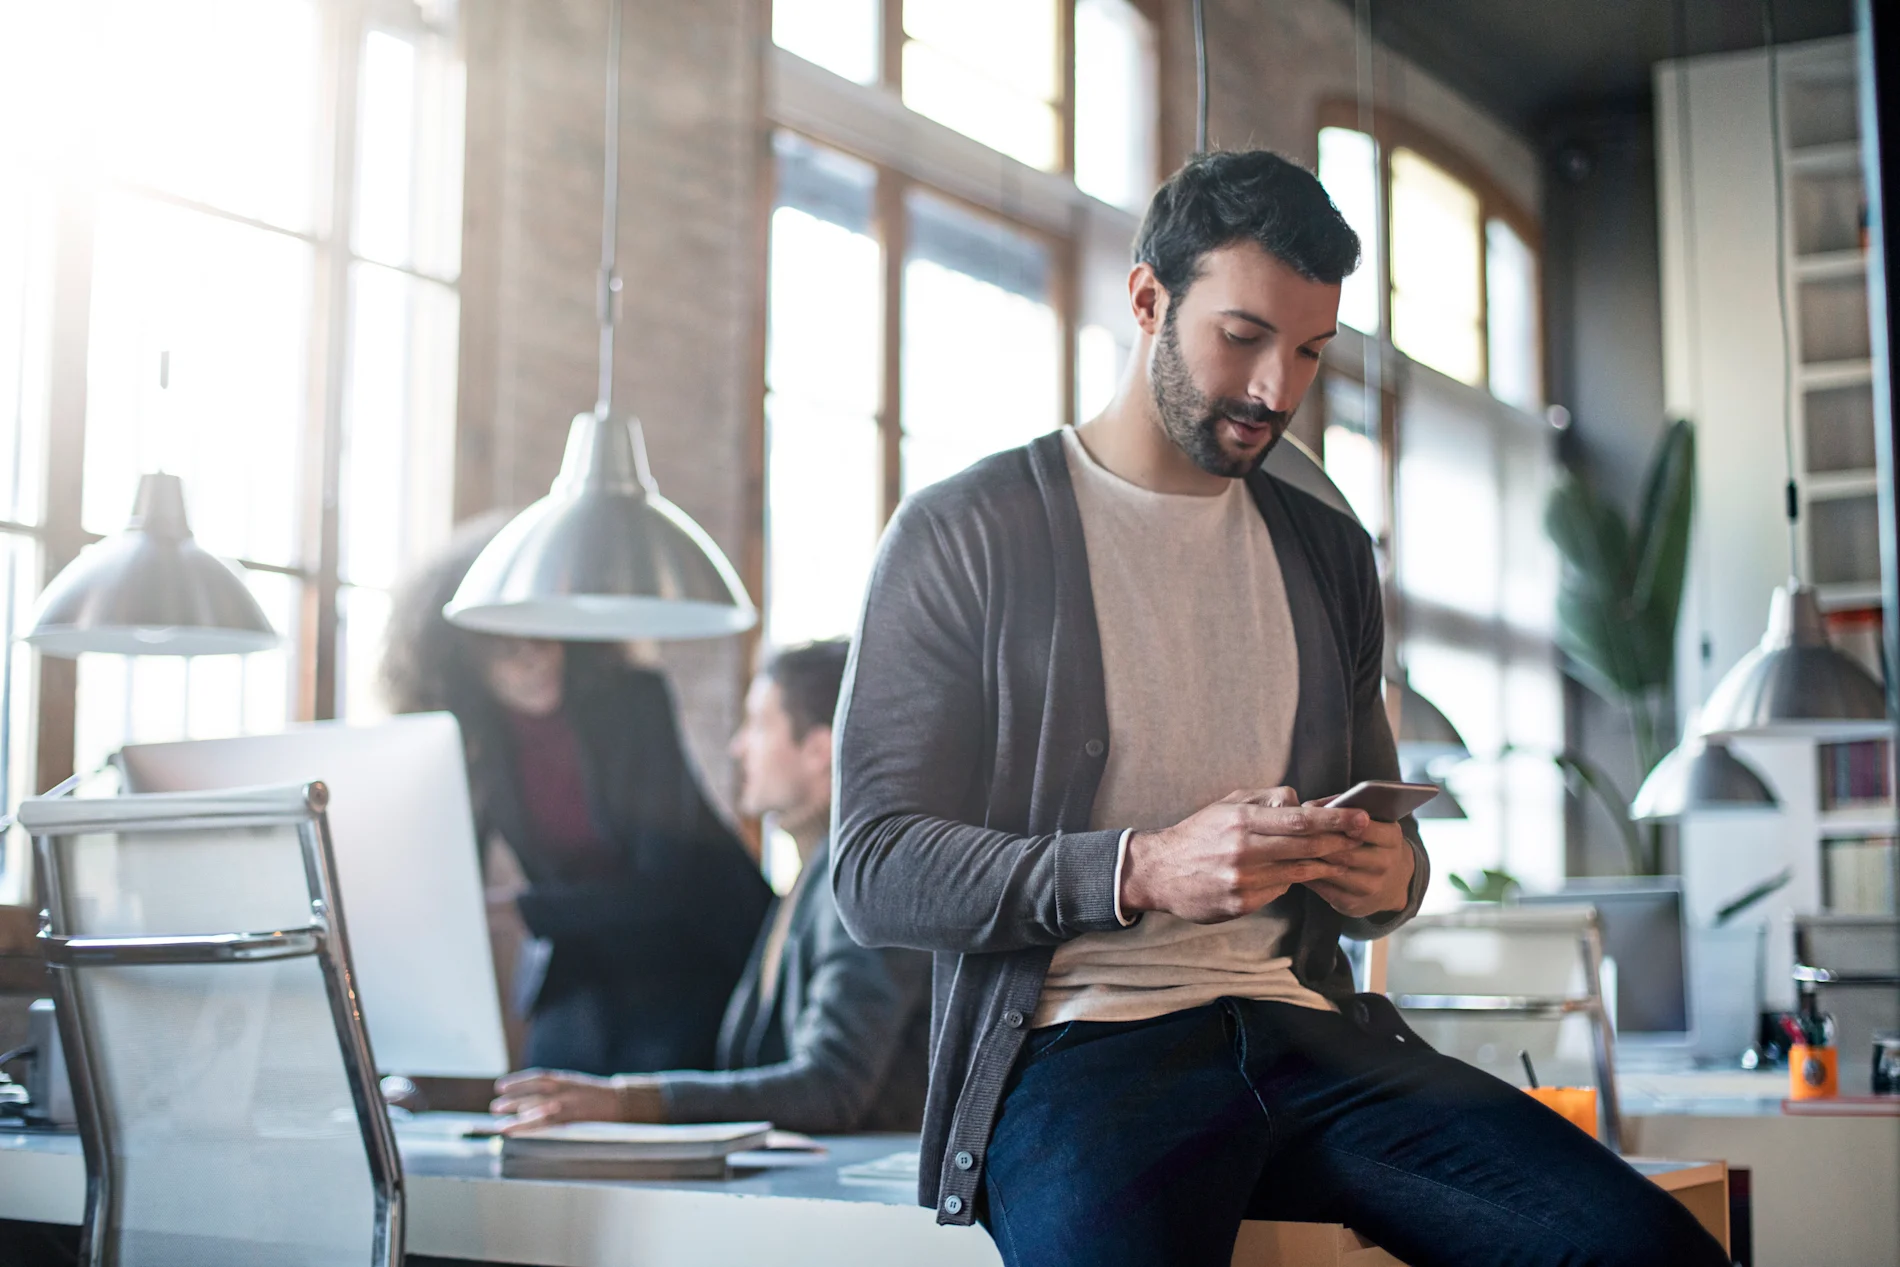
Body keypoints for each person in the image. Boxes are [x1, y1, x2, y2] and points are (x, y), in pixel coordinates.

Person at [829, 150, 1728, 1267]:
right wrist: (1140, 866)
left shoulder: (1328, 553)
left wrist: (1383, 874)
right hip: (1079, 1051)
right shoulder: (965, 532)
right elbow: (873, 867)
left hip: (1315, 1039)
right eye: (1243, 336)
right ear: (1147, 297)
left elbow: (1392, 865)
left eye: (1307, 350)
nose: (1276, 390)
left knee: (1652, 1250)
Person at [380, 514, 771, 1076]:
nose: (532, 657)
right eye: (502, 645)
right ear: (459, 654)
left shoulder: (633, 700)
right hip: (585, 956)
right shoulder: (473, 738)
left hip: (693, 951)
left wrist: (524, 910)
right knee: (541, 1097)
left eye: (542, 631)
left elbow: (669, 885)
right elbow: (450, 874)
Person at [487, 639, 931, 1134]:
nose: (738, 746)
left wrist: (625, 1102)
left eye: (759, 725)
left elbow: (832, 1087)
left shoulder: (864, 884)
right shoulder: (811, 877)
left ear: (818, 750)